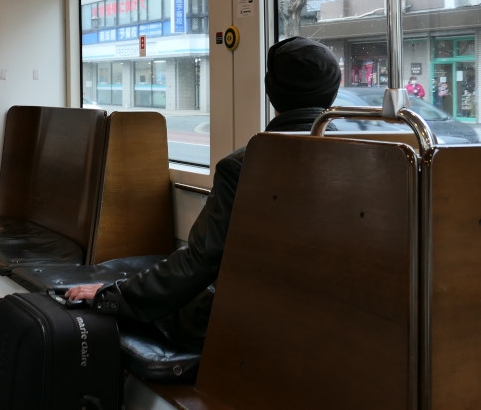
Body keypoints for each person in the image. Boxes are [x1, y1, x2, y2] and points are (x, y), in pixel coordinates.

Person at [64, 36, 342, 349]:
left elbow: (200, 262)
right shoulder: (366, 155)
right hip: (331, 322)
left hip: (251, 320)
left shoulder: (244, 165)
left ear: (270, 91)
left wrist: (113, 295)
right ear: (334, 90)